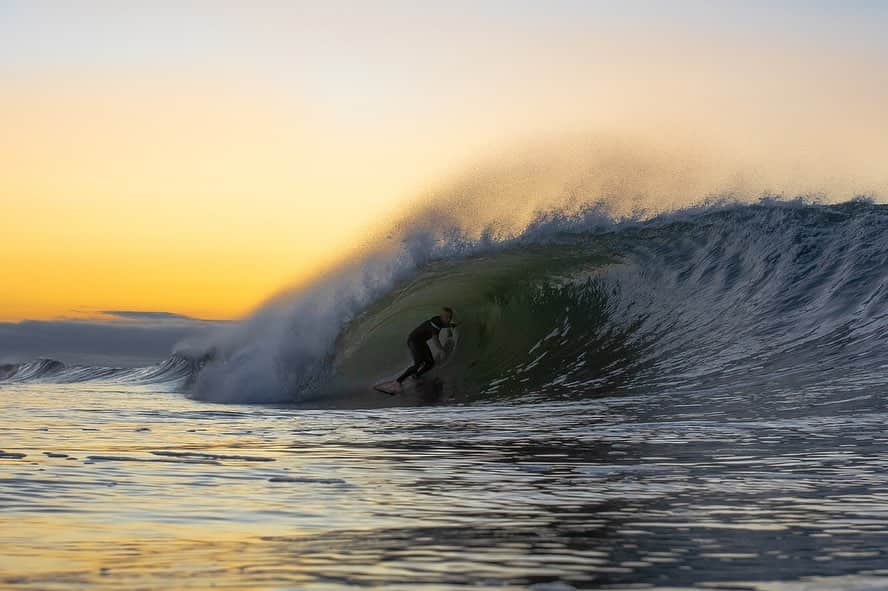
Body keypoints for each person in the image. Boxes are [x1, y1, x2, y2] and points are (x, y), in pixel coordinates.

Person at [395, 307, 459, 388]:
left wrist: (453, 325)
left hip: (421, 342)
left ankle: (416, 376)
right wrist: (442, 350)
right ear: (441, 316)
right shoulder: (435, 323)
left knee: (430, 363)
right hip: (413, 341)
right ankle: (398, 382)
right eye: (447, 317)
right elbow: (435, 339)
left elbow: (445, 324)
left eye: (450, 317)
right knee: (417, 364)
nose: (449, 319)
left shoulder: (441, 321)